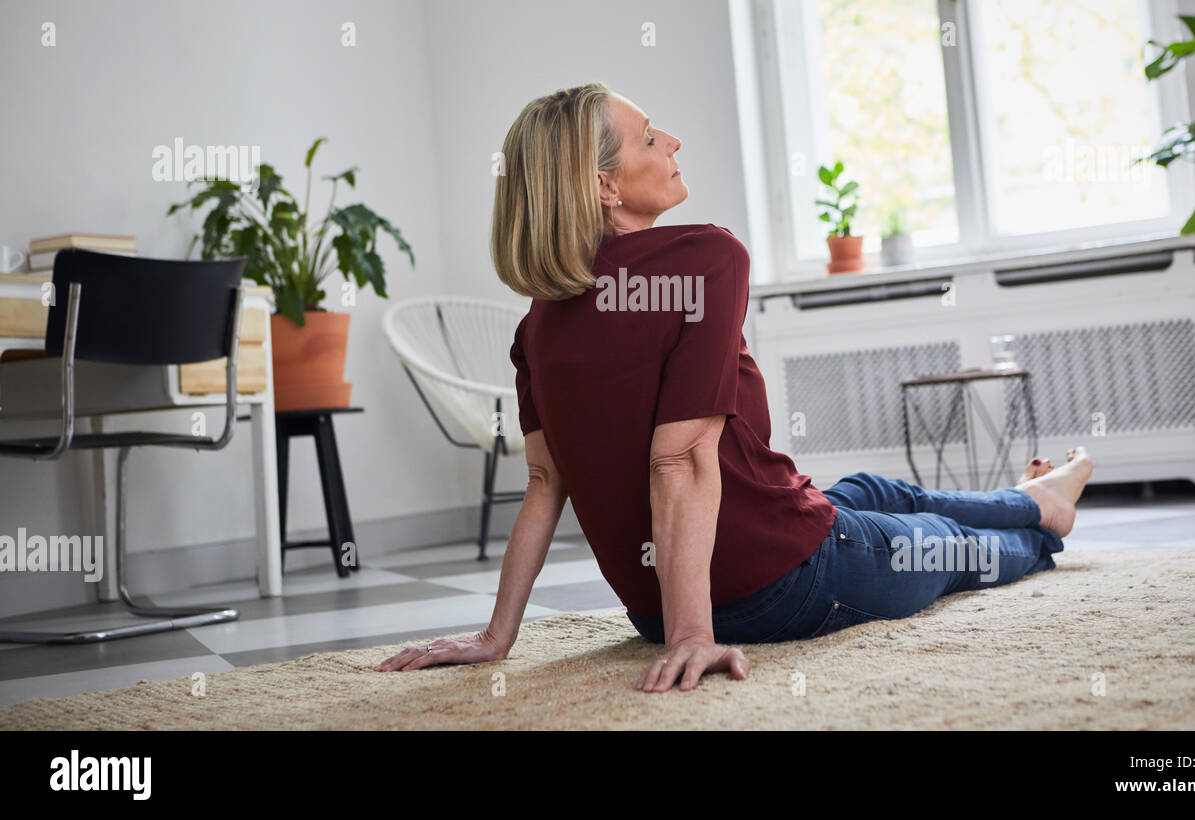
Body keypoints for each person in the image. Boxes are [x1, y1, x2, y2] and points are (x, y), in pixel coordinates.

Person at [375, 81, 1094, 692]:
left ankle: (1029, 499)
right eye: (650, 138)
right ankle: (1042, 523)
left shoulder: (539, 323)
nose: (673, 142)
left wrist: (498, 634)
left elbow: (542, 483)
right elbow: (679, 460)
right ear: (604, 184)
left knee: (875, 492)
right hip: (777, 581)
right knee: (937, 546)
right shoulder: (707, 258)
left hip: (653, 606)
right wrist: (695, 634)